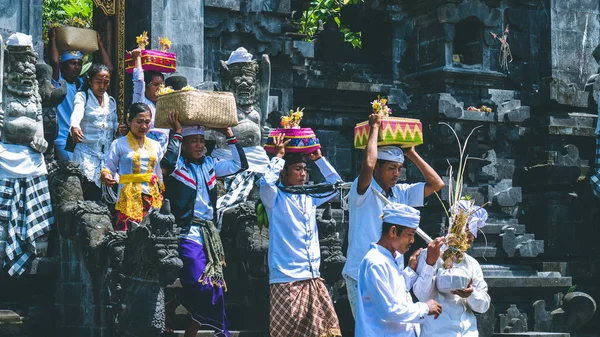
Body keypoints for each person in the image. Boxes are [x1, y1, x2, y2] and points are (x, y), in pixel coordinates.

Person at [343, 113, 445, 316]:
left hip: (393, 271)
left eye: (399, 168)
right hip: (361, 272)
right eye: (391, 168)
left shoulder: (401, 192)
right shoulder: (362, 190)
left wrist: (411, 154)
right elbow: (369, 164)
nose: (396, 173)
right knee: (371, 327)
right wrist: (374, 128)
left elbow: (437, 184)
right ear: (378, 169)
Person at [160, 111, 248, 337]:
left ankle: (190, 328)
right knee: (203, 283)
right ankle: (213, 327)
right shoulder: (178, 166)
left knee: (215, 287)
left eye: (201, 140)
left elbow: (240, 165)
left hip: (209, 234)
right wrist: (177, 133)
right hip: (186, 233)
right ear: (184, 145)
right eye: (193, 141)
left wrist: (229, 135)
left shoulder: (210, 164)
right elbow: (166, 164)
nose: (199, 145)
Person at [259, 134, 343, 337]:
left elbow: (336, 185)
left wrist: (319, 160)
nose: (303, 174)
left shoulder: (309, 196)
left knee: (324, 331)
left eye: (305, 169)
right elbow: (265, 184)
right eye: (298, 169)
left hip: (313, 276)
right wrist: (278, 157)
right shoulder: (275, 199)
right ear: (284, 173)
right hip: (286, 278)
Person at [355, 203, 443, 337]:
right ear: (393, 231)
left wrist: (411, 272)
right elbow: (388, 310)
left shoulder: (389, 260)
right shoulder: (376, 262)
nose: (412, 240)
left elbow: (396, 293)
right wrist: (424, 308)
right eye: (410, 234)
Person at [413, 201, 491, 337]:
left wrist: (471, 294)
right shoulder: (430, 254)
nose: (472, 237)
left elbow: (484, 305)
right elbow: (421, 295)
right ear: (456, 226)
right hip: (437, 332)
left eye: (475, 231)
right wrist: (430, 265)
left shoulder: (472, 263)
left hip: (468, 332)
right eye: (469, 229)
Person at [49, 28, 113, 161]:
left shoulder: (82, 84)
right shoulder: (58, 82)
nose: (77, 67)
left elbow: (109, 70)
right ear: (63, 65)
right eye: (72, 63)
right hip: (62, 139)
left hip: (82, 140)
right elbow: (54, 63)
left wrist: (100, 45)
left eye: (79, 63)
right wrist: (53, 39)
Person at [100, 103, 164, 231]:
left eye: (147, 122)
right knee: (127, 238)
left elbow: (159, 173)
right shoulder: (119, 144)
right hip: (128, 198)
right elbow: (108, 168)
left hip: (151, 197)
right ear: (129, 121)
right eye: (139, 122)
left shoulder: (156, 145)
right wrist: (106, 175)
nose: (144, 126)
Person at [70, 63, 126, 198]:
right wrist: (75, 125)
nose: (102, 86)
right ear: (90, 81)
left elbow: (112, 124)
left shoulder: (111, 102)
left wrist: (118, 129)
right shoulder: (82, 97)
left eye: (106, 82)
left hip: (106, 156)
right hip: (86, 155)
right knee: (88, 193)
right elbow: (77, 112)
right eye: (98, 82)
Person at [130, 48, 170, 154]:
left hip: (162, 157)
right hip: (143, 154)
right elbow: (139, 82)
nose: (159, 88)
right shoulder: (141, 102)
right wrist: (137, 58)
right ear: (146, 86)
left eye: (162, 85)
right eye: (155, 84)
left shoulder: (167, 105)